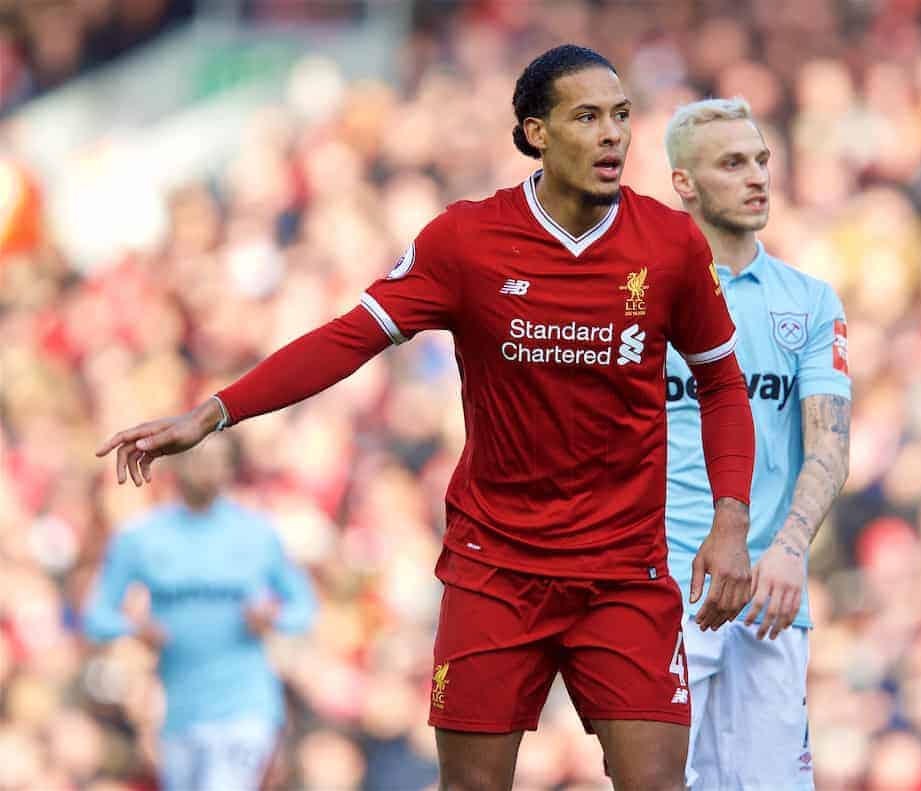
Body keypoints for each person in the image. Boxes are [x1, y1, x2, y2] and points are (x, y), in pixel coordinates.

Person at [96, 45, 757, 791]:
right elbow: (349, 338)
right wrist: (214, 413)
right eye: (587, 116)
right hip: (497, 568)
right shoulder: (467, 240)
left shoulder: (668, 244)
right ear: (536, 132)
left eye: (622, 116)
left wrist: (729, 519)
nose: (613, 135)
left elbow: (723, 386)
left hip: (623, 571)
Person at [662, 97, 852, 790]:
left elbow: (828, 443)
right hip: (666, 591)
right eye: (733, 163)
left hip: (772, 598)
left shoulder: (808, 300)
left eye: (762, 160)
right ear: (684, 182)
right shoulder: (648, 298)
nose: (757, 177)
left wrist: (792, 547)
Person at [83, 434, 316, 791]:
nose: (209, 469)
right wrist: (134, 628)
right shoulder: (142, 537)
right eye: (199, 458)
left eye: (219, 460)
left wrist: (272, 618)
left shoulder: (255, 533)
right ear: (176, 462)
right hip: (179, 710)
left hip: (245, 707)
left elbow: (303, 606)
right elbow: (97, 616)